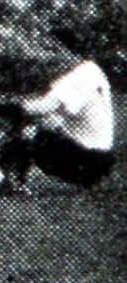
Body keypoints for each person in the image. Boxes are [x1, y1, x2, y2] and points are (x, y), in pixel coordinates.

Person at [17, 23, 112, 189]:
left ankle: (17, 181)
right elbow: (56, 117)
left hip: (87, 157)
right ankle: (25, 178)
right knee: (36, 127)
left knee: (24, 129)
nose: (44, 56)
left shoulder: (79, 76)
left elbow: (43, 107)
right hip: (98, 156)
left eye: (50, 49)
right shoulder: (91, 70)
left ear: (63, 50)